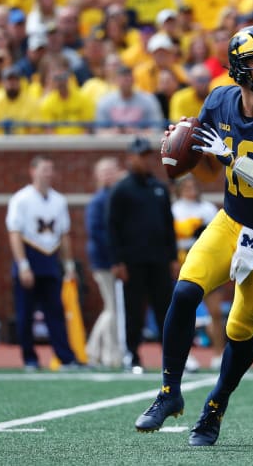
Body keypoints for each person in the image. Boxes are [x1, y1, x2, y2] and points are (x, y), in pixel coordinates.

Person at [134, 25, 253, 446]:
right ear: (240, 66)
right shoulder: (220, 98)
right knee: (184, 292)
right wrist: (181, 144)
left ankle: (215, 408)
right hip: (231, 222)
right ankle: (168, 393)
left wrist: (234, 159)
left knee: (239, 332)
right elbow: (202, 151)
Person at [107, 137, 178, 373]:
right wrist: (117, 261)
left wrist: (173, 257)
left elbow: (169, 225)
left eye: (149, 155)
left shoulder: (159, 187)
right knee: (133, 310)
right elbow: (112, 227)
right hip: (132, 261)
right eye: (142, 155)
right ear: (130, 158)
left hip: (159, 259)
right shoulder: (121, 189)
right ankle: (133, 356)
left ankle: (171, 358)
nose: (147, 160)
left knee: (165, 310)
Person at [5, 156, 79, 371]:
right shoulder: (21, 198)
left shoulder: (59, 200)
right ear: (33, 171)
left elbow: (64, 234)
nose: (48, 173)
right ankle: (29, 358)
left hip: (50, 259)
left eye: (51, 169)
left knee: (55, 312)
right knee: (25, 313)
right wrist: (23, 265)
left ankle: (65, 358)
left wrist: (69, 265)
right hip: (30, 257)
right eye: (44, 169)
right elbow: (14, 233)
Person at [171, 174, 224, 371]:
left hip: (207, 262)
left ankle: (219, 354)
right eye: (185, 185)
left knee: (216, 312)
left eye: (193, 184)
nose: (190, 188)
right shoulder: (173, 210)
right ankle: (188, 356)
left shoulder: (207, 209)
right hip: (184, 265)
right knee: (184, 313)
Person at [84, 157, 124, 369]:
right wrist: (113, 259)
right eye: (104, 171)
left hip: (112, 259)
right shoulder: (99, 200)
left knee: (111, 307)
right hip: (104, 261)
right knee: (112, 307)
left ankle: (93, 350)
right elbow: (97, 233)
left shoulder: (115, 196)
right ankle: (107, 353)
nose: (109, 175)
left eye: (112, 170)